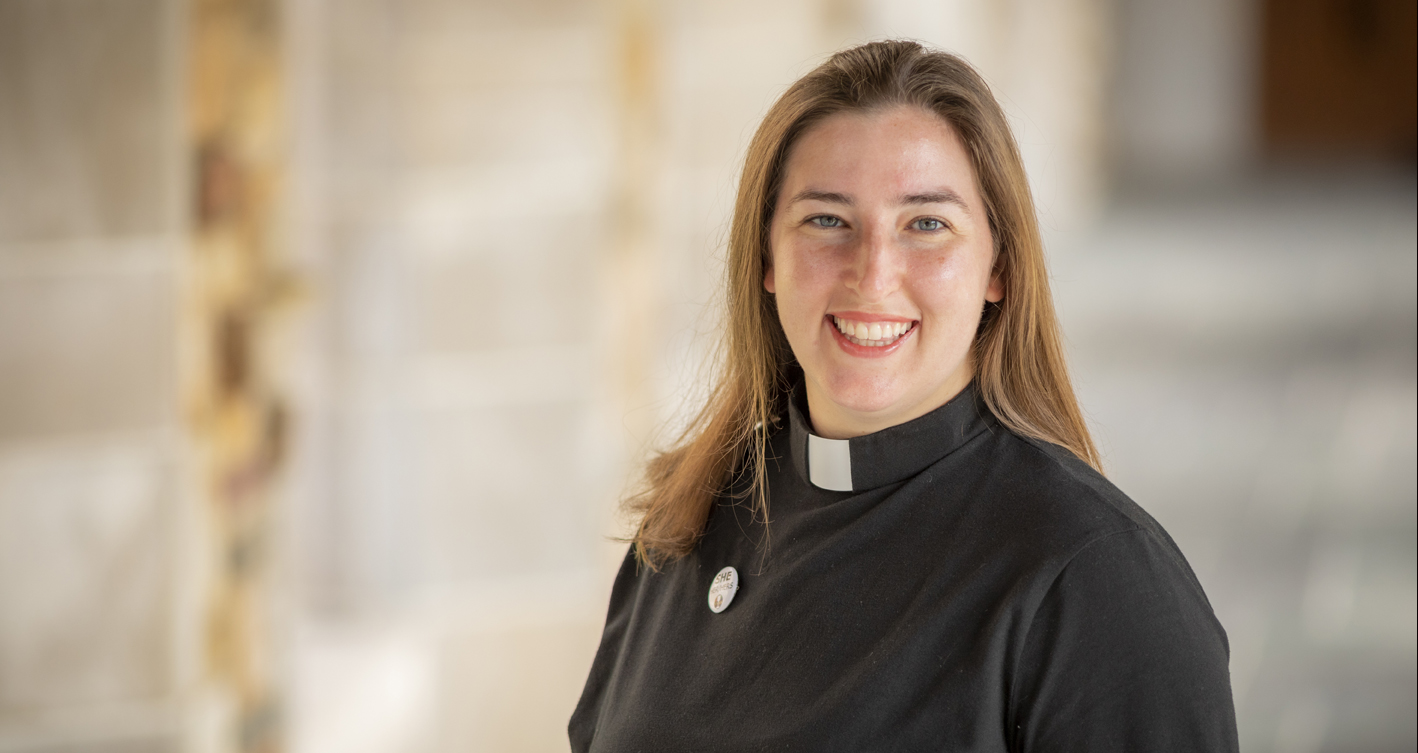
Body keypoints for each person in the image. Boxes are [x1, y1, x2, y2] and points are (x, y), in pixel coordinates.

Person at [570, 40, 1239, 751]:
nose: (874, 273)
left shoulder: (1095, 579)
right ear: (767, 257)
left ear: (998, 269)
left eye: (927, 225)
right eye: (827, 219)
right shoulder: (688, 519)